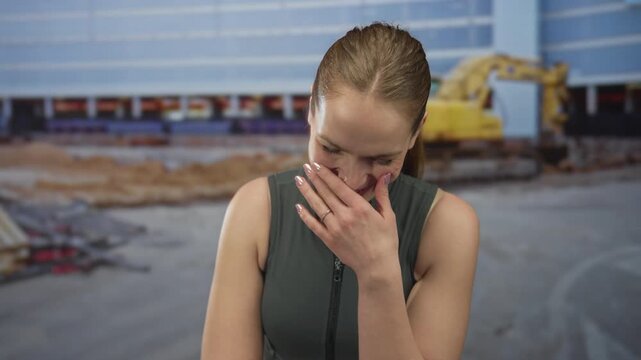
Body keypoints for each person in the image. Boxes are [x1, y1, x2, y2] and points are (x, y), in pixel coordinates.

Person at [201, 22, 479, 360]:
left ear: (415, 133)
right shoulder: (255, 209)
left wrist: (378, 275)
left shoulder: (448, 227)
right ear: (310, 111)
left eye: (380, 159)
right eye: (330, 148)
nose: (349, 180)